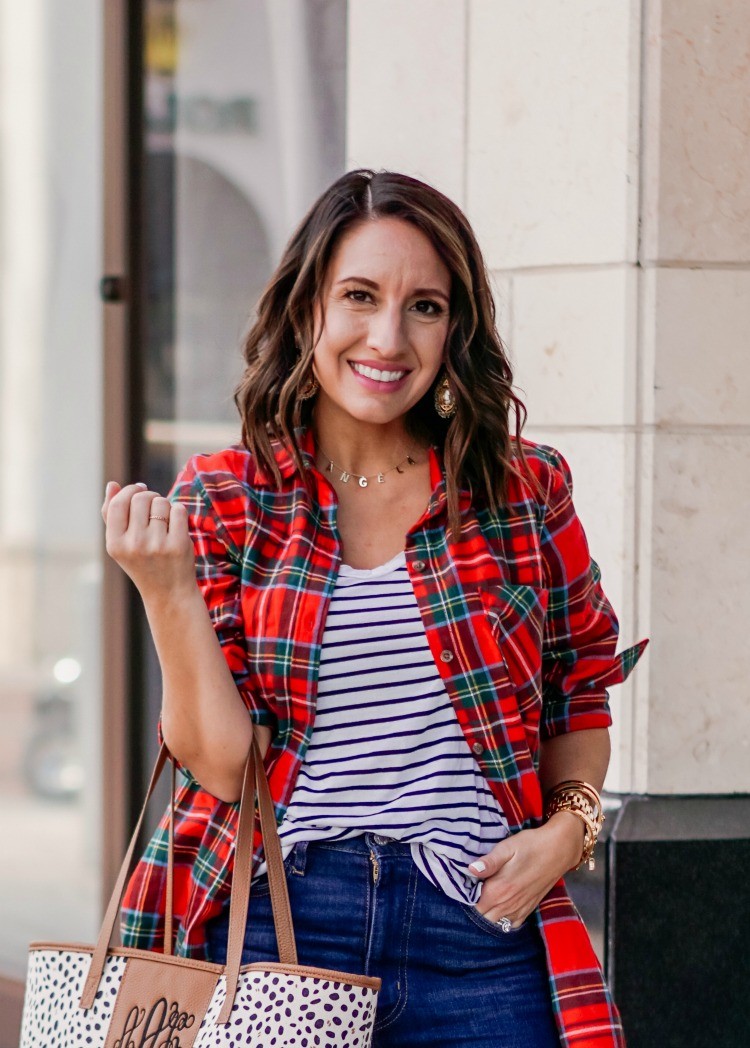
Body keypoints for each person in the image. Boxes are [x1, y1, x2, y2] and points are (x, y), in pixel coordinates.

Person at [102, 169, 647, 1047]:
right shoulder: (230, 497)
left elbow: (581, 678)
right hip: (278, 922)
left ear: (454, 328)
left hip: (476, 920)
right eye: (359, 296)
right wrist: (166, 593)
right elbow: (221, 767)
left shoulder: (521, 488)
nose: (388, 336)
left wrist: (568, 829)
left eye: (424, 306)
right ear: (307, 309)